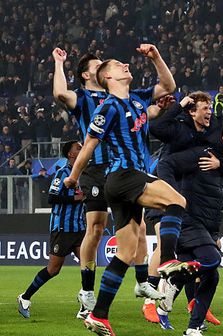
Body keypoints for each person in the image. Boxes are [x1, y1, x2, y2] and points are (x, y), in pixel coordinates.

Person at [64, 45, 198, 336]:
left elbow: (169, 86)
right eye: (118, 64)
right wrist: (74, 177)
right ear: (107, 76)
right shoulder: (107, 107)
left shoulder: (137, 99)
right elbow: (88, 145)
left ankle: (99, 314)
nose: (126, 64)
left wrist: (156, 57)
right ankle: (166, 260)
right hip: (125, 176)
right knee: (178, 201)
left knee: (125, 253)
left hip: (123, 183)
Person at [51, 47, 164, 319]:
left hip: (122, 170)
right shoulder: (83, 98)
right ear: (88, 74)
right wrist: (58, 63)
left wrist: (161, 109)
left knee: (138, 229)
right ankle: (87, 290)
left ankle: (141, 282)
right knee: (97, 228)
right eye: (99, 65)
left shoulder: (124, 95)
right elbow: (59, 94)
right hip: (95, 169)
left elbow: (150, 107)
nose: (105, 66)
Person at [154, 123, 223, 336]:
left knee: (211, 277)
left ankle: (192, 331)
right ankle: (173, 282)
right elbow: (164, 164)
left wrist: (213, 234)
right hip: (188, 221)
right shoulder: (201, 155)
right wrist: (173, 199)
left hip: (204, 226)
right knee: (212, 259)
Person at [17, 141, 86, 318]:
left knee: (88, 264)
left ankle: (85, 304)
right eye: (78, 148)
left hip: (79, 227)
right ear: (70, 154)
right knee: (54, 269)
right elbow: (52, 197)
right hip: (62, 227)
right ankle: (25, 297)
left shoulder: (85, 174)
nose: (82, 149)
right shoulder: (62, 173)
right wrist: (75, 199)